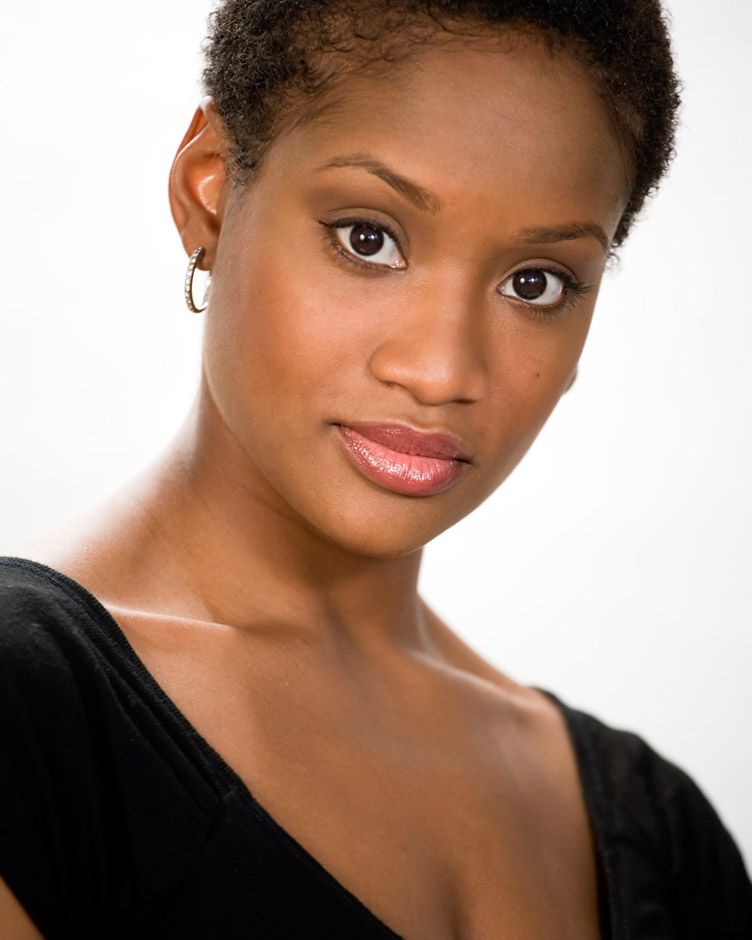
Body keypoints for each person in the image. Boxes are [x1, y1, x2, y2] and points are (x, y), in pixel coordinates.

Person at [1, 0, 750, 937]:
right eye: (369, 237)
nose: (441, 372)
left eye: (537, 282)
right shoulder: (31, 719)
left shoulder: (663, 835)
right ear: (210, 193)